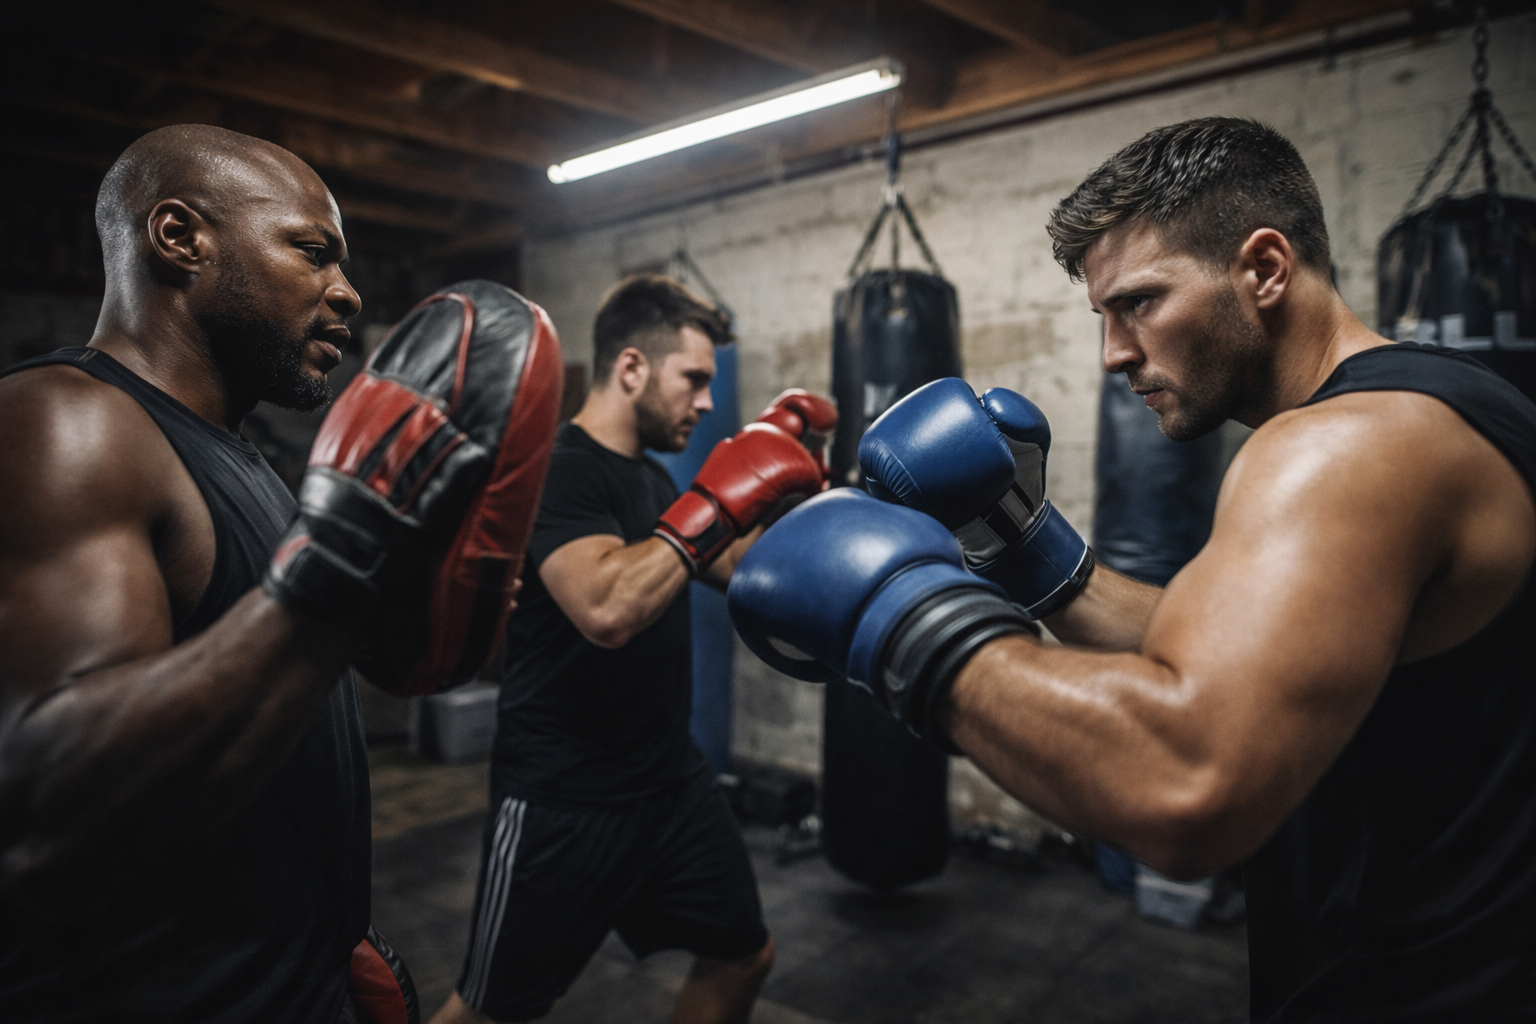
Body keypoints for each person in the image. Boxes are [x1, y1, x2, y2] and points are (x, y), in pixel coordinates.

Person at [728, 117, 1536, 1019]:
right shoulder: (1445, 403)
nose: (1113, 353)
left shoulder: (1340, 449)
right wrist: (1022, 542)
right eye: (1102, 315)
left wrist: (899, 614)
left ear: (1265, 269)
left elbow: (1186, 783)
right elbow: (1253, 662)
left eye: (1140, 303)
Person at [0, 124, 560, 1022]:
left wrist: (412, 587)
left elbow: (269, 673)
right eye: (313, 252)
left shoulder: (243, 459)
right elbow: (44, 819)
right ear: (180, 239)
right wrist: (341, 574)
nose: (348, 293)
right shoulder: (70, 426)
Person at [432, 276, 834, 1024]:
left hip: (667, 785)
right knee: (489, 1012)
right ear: (631, 368)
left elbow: (739, 571)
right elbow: (609, 606)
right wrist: (718, 500)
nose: (708, 403)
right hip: (563, 799)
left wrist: (798, 501)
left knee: (745, 955)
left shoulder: (652, 478)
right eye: (695, 380)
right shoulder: (559, 470)